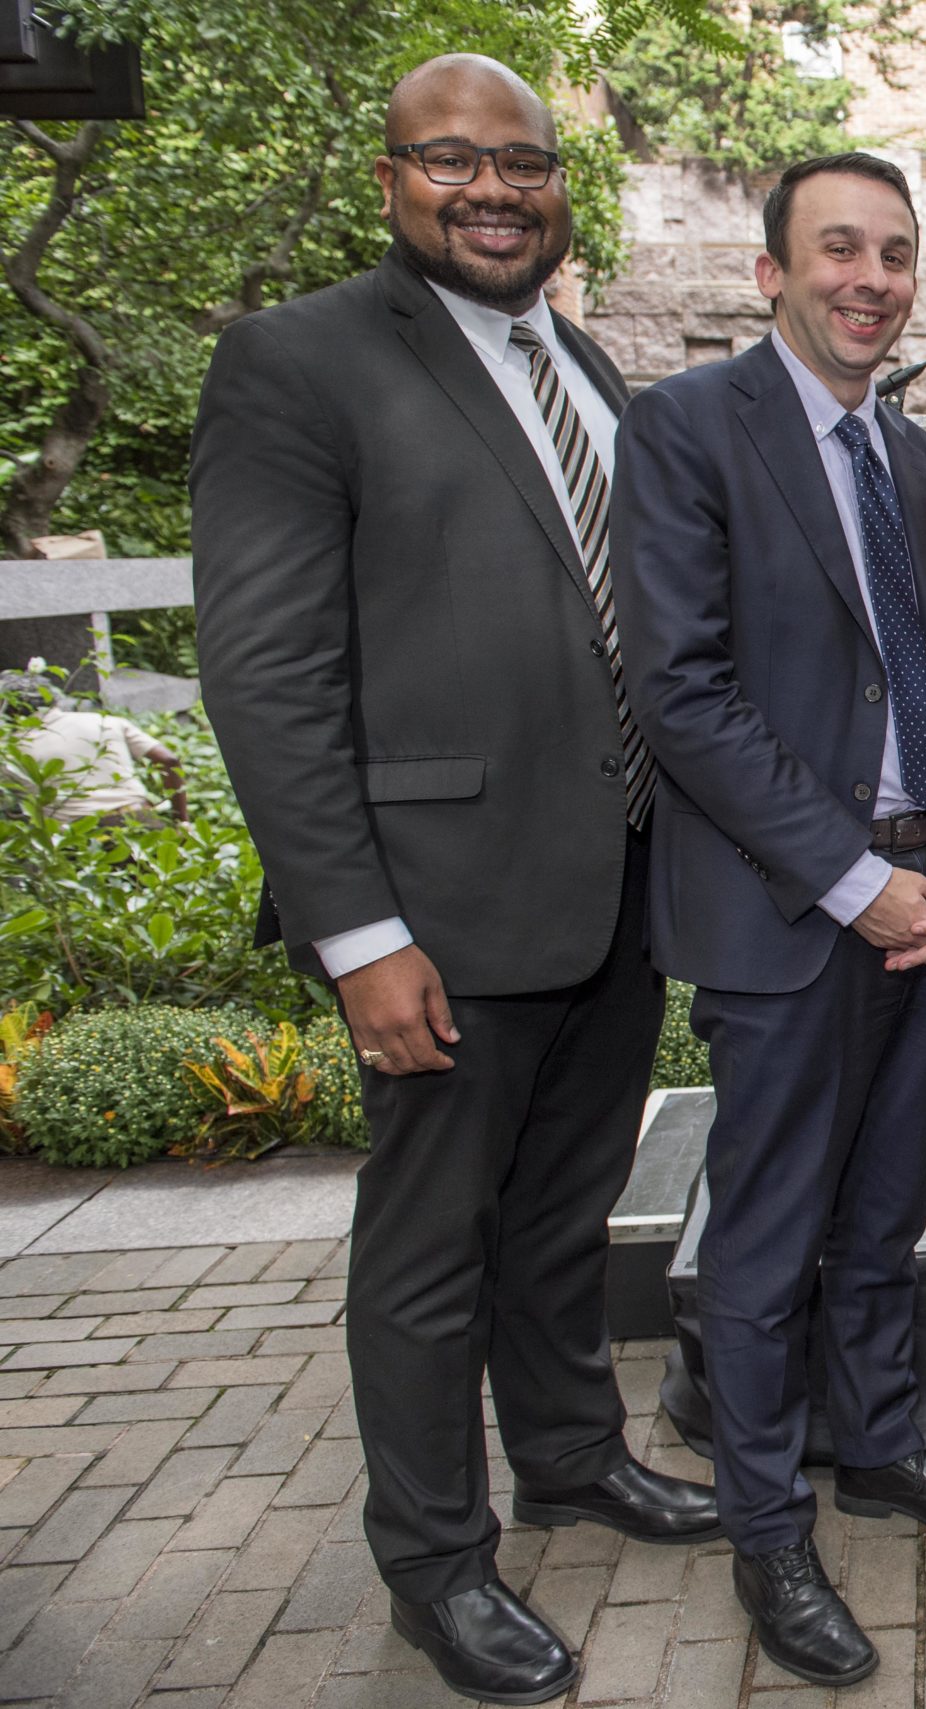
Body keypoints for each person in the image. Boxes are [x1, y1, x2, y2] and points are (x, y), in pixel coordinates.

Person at [189, 54, 717, 1707]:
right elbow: (269, 673)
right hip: (437, 906)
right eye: (452, 161)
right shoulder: (299, 364)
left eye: (523, 163)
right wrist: (359, 930)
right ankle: (437, 1557)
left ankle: (569, 1454)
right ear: (390, 179)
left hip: (615, 886)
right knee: (427, 1251)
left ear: (561, 186)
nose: (493, 189)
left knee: (561, 1212)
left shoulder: (589, 364)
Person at [611, 150, 926, 1688]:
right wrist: (859, 887)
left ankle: (876, 1445)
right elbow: (685, 694)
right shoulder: (679, 431)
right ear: (769, 272)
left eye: (896, 254)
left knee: (882, 1212)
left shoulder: (920, 462)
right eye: (840, 249)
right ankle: (768, 1527)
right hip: (790, 910)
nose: (872, 279)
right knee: (770, 1232)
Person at [0, 668, 187, 826]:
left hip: (79, 838)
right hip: (141, 822)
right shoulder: (104, 721)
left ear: (9, 708)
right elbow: (169, 760)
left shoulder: (9, 749)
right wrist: (181, 823)